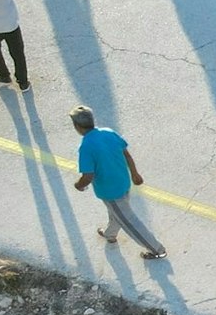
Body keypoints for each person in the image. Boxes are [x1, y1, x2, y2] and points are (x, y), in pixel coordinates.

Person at [71, 106, 165, 260]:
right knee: (117, 214)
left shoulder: (86, 146)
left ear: (77, 127)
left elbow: (87, 176)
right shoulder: (108, 132)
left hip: (110, 192)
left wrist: (78, 185)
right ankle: (110, 234)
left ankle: (157, 249)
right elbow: (126, 154)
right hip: (123, 182)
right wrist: (135, 174)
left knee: (129, 222)